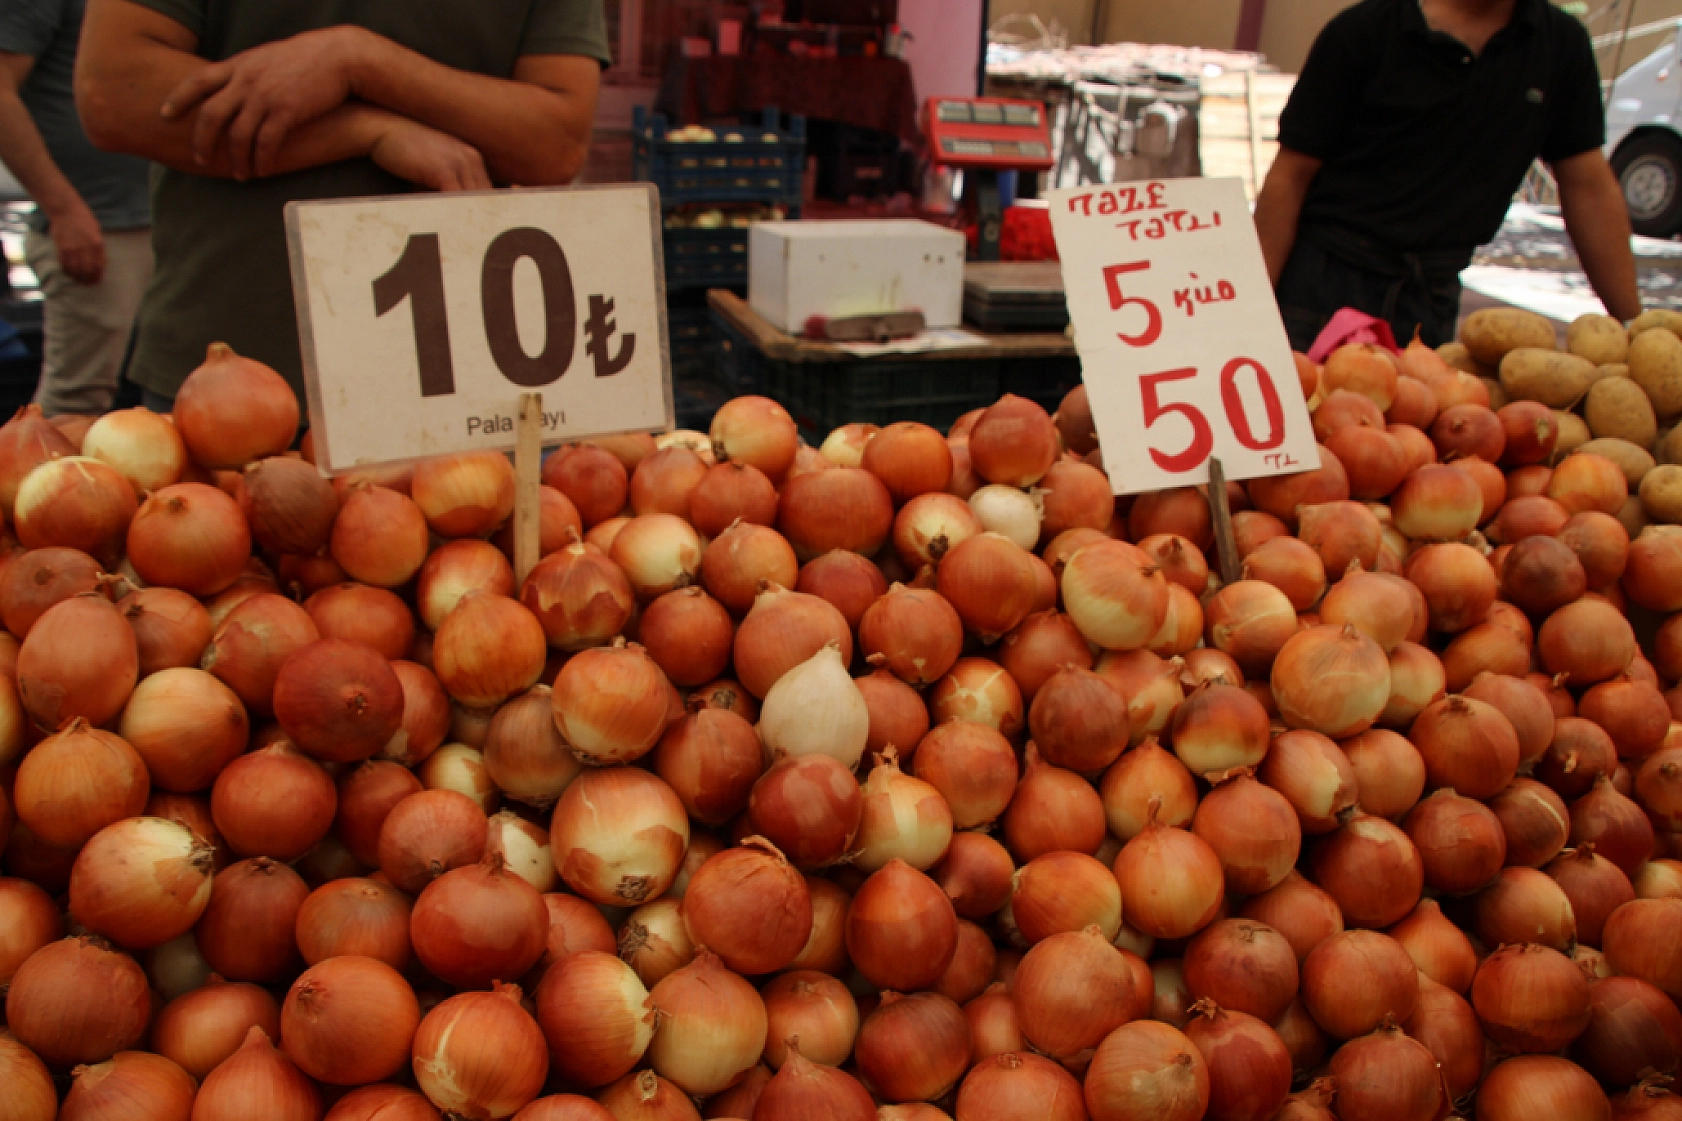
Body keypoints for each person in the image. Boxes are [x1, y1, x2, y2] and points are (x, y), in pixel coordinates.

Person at [74, 0, 611, 412]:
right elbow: (114, 95)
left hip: (461, 383)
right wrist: (365, 130)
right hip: (228, 381)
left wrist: (361, 61)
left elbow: (556, 142)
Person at [1254, 0, 1642, 352]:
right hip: (1323, 287)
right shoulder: (1364, 31)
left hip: (1430, 298)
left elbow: (1588, 189)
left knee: (1415, 427)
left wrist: (1633, 327)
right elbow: (1291, 177)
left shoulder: (1560, 46)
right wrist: (1248, 308)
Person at [0, 0, 153, 416]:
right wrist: (63, 209)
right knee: (76, 403)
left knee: (181, 391)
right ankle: (42, 481)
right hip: (97, 225)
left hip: (173, 220)